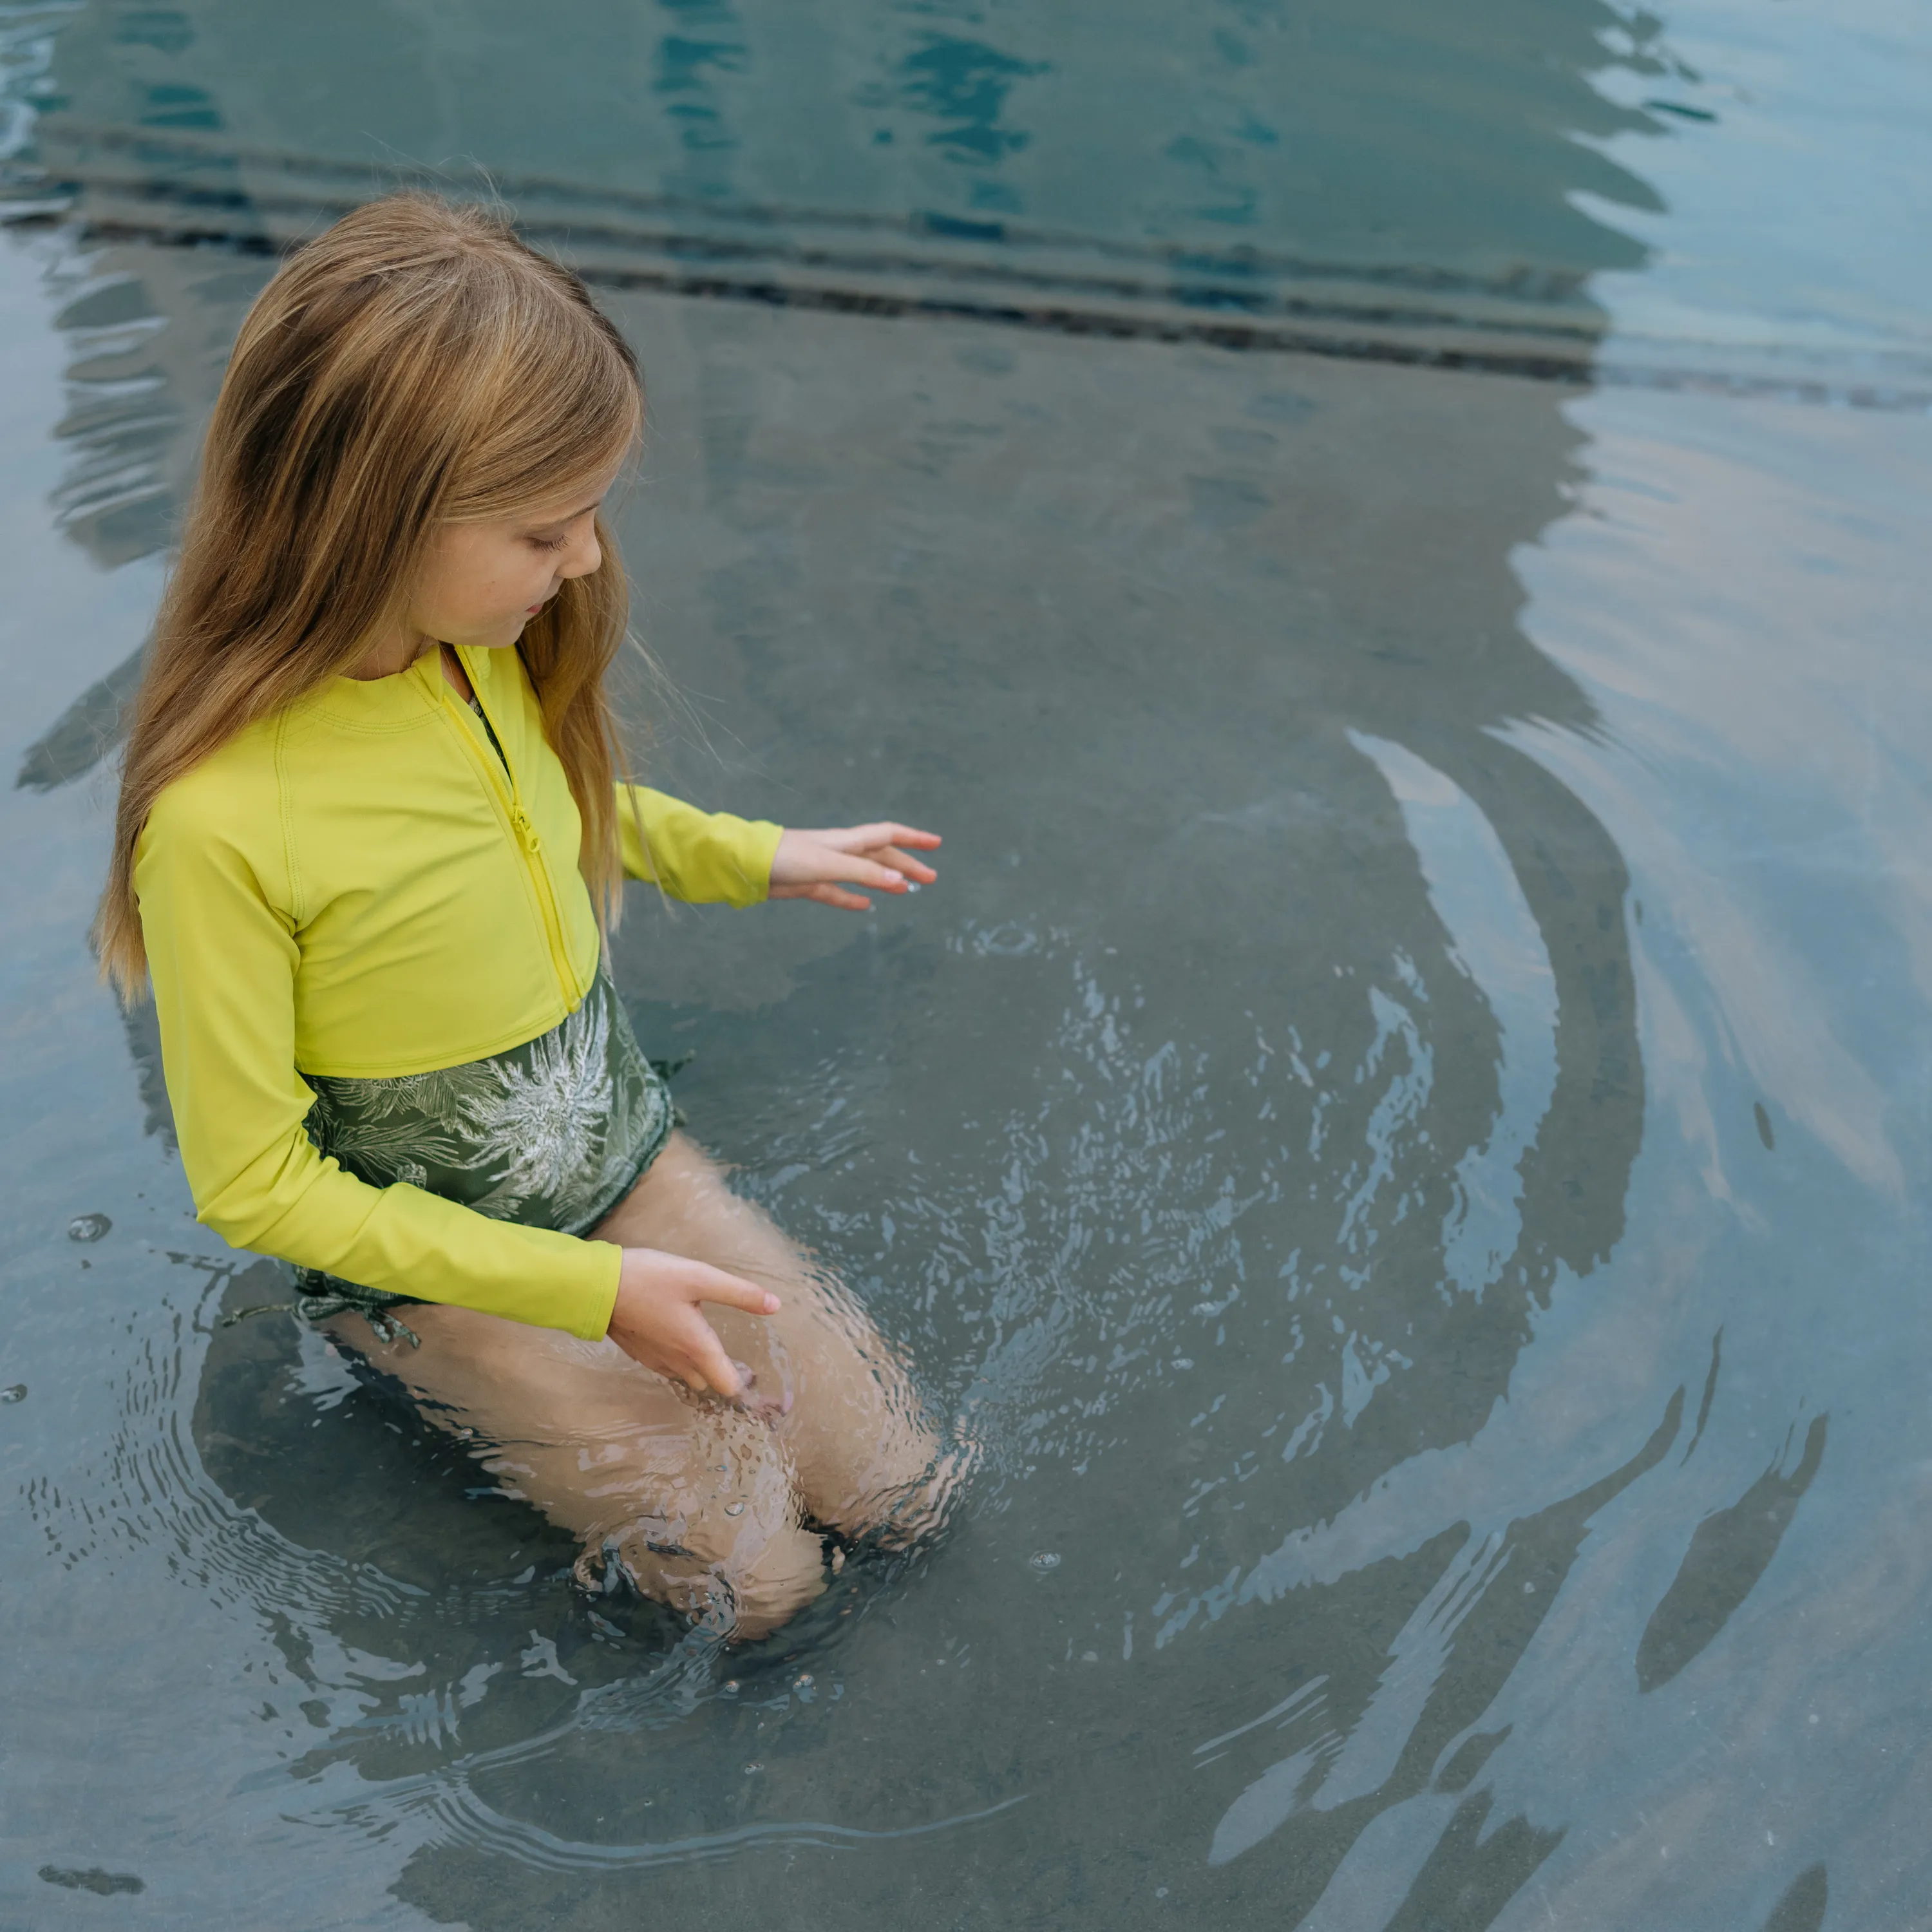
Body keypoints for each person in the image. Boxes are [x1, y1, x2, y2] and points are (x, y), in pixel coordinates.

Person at [93, 193, 954, 1640]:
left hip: (628, 1172)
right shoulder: (226, 824)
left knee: (905, 1495)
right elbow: (252, 1186)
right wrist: (585, 1292)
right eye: (548, 527)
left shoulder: (473, 656)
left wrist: (755, 855)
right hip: (449, 1277)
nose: (592, 563)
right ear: (369, 524)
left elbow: (556, 817)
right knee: (761, 1592)